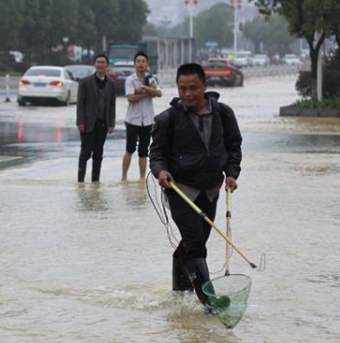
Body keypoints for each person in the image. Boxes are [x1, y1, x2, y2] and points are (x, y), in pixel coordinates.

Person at [149, 63, 242, 308]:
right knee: (196, 245)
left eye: (193, 88)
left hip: (211, 190)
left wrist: (232, 173)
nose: (188, 94)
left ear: (205, 86)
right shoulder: (167, 119)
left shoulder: (224, 114)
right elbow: (156, 154)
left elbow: (234, 147)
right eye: (182, 88)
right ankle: (210, 303)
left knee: (195, 242)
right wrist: (161, 171)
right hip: (180, 189)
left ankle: (180, 292)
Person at [75, 53, 117, 183]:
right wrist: (80, 122)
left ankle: (95, 182)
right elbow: (80, 103)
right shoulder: (85, 82)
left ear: (107, 66)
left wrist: (111, 123)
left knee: (98, 154)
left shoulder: (111, 83)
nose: (100, 65)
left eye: (103, 62)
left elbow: (112, 105)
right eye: (98, 62)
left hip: (103, 124)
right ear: (95, 64)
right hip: (87, 124)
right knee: (85, 153)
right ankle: (80, 182)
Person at [123, 51, 162, 181]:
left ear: (147, 64)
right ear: (134, 64)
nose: (141, 64)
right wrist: (149, 93)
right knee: (129, 149)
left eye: (143, 61)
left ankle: (141, 179)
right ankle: (124, 177)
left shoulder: (151, 79)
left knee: (144, 151)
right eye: (138, 61)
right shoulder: (130, 79)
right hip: (132, 120)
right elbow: (131, 99)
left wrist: (145, 87)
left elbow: (159, 93)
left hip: (148, 120)